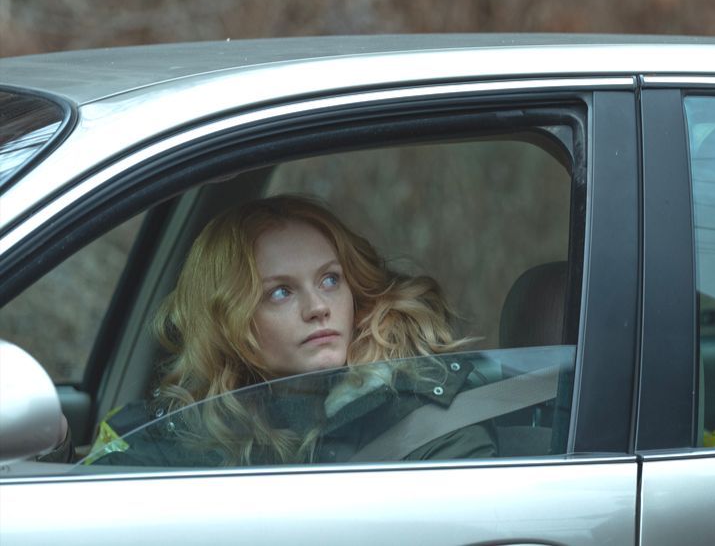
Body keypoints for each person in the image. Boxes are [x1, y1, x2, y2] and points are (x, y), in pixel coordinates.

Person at [82, 194, 495, 467]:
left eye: (330, 280)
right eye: (281, 292)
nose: (318, 308)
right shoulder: (182, 431)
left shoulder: (430, 416)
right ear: (227, 320)